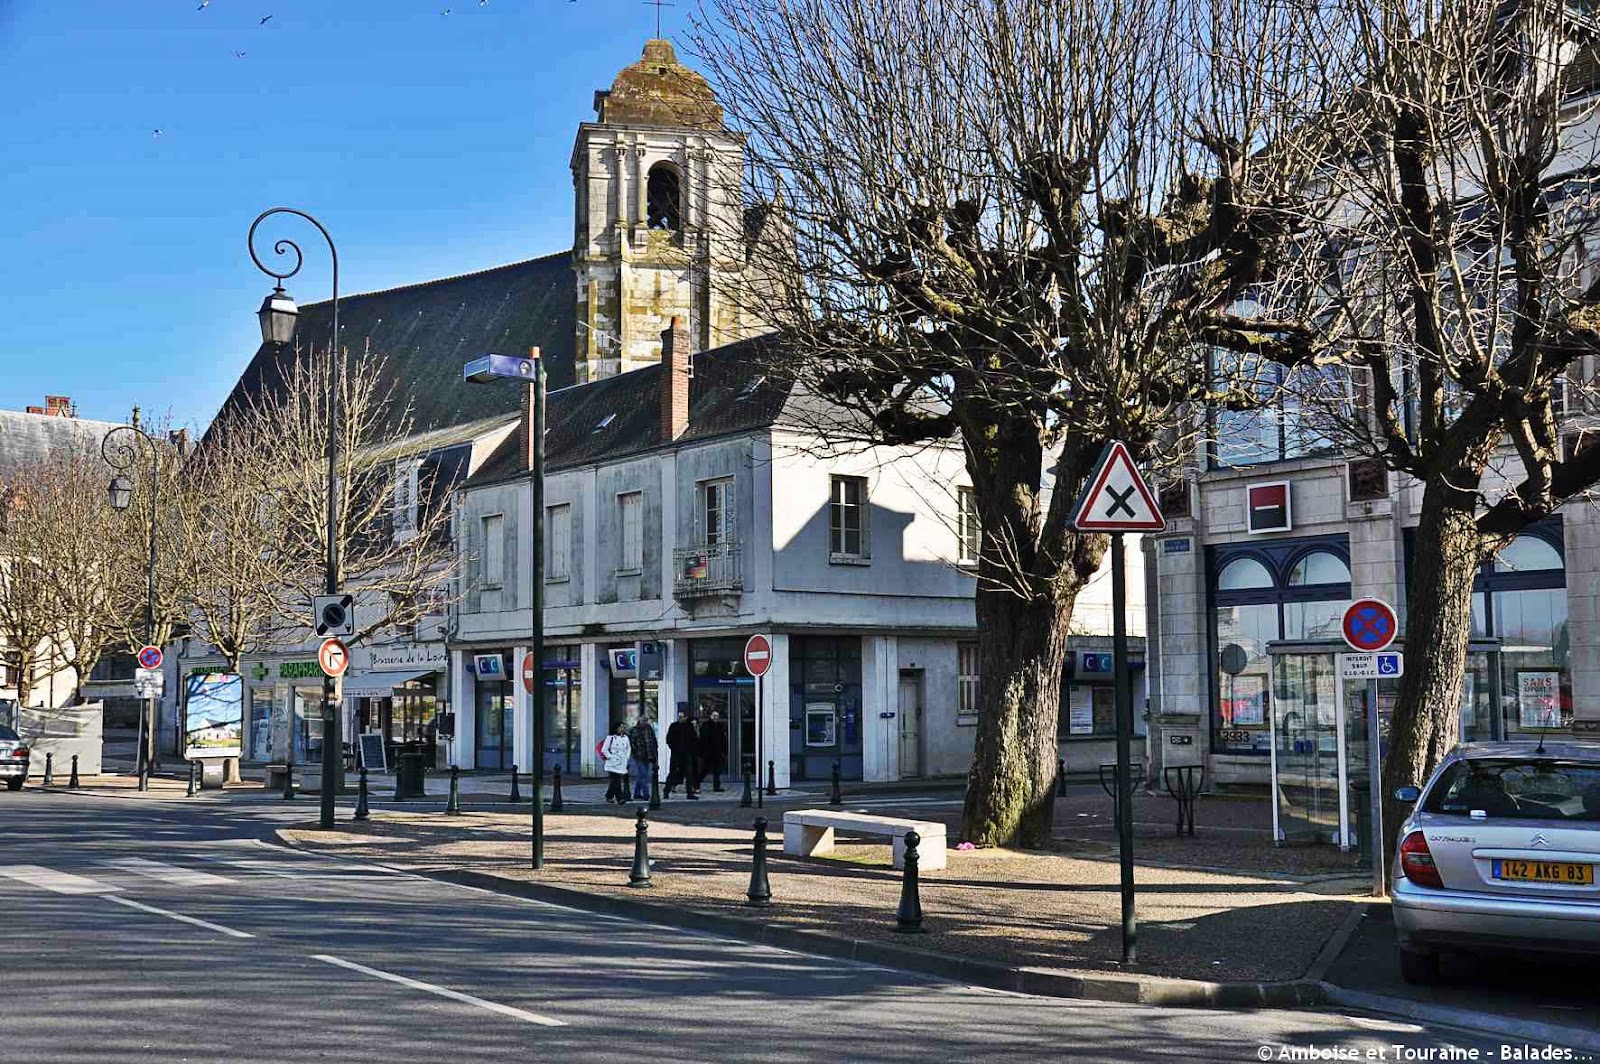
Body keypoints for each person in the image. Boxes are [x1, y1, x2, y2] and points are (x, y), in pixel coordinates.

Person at [664, 707, 699, 800]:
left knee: (689, 774)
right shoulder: (673, 726)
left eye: (682, 717)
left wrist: (691, 750)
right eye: (679, 717)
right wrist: (674, 748)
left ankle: (689, 793)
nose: (681, 718)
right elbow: (669, 739)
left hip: (686, 754)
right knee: (672, 773)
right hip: (676, 754)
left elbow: (694, 739)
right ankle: (666, 791)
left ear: (686, 717)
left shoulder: (689, 727)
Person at [696, 709, 729, 793]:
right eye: (714, 716)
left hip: (718, 752)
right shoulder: (706, 725)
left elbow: (723, 739)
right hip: (708, 752)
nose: (715, 717)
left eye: (717, 716)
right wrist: (702, 752)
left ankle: (716, 787)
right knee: (704, 770)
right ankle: (696, 784)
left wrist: (724, 751)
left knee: (717, 771)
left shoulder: (720, 726)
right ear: (710, 716)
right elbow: (702, 739)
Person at [600, 722, 632, 805]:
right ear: (616, 728)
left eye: (623, 727)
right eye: (620, 727)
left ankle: (609, 796)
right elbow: (604, 749)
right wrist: (610, 756)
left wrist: (626, 757)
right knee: (616, 781)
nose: (622, 729)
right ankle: (620, 798)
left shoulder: (625, 738)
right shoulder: (610, 738)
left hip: (622, 763)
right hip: (612, 763)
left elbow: (628, 748)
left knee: (614, 782)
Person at [628, 712, 658, 801]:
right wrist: (635, 752)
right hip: (639, 756)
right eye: (643, 720)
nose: (645, 722)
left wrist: (654, 753)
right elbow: (631, 743)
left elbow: (653, 741)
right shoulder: (634, 730)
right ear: (639, 720)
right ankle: (646, 794)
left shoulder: (649, 729)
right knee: (644, 775)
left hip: (649, 756)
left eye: (646, 720)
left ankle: (637, 794)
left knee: (641, 775)